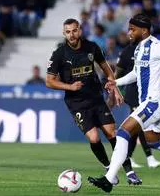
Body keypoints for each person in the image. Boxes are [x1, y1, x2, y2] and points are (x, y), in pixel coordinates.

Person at [88, 14, 160, 193]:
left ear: (144, 31)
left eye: (132, 29)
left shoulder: (157, 46)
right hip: (154, 103)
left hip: (154, 103)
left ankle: (108, 179)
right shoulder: (138, 48)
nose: (129, 32)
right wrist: (116, 82)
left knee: (122, 133)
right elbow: (135, 73)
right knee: (154, 142)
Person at [46, 18, 142, 185]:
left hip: (96, 98)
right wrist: (70, 87)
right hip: (76, 103)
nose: (71, 35)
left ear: (80, 30)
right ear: (64, 33)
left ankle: (130, 172)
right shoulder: (59, 54)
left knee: (113, 134)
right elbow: (49, 81)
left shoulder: (91, 47)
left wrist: (116, 90)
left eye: (74, 31)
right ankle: (108, 168)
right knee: (94, 138)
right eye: (68, 32)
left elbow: (107, 69)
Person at [109, 40, 160, 169]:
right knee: (141, 124)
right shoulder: (127, 51)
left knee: (137, 127)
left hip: (147, 92)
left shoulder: (150, 49)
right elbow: (119, 71)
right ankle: (149, 158)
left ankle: (129, 157)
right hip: (133, 93)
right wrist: (114, 89)